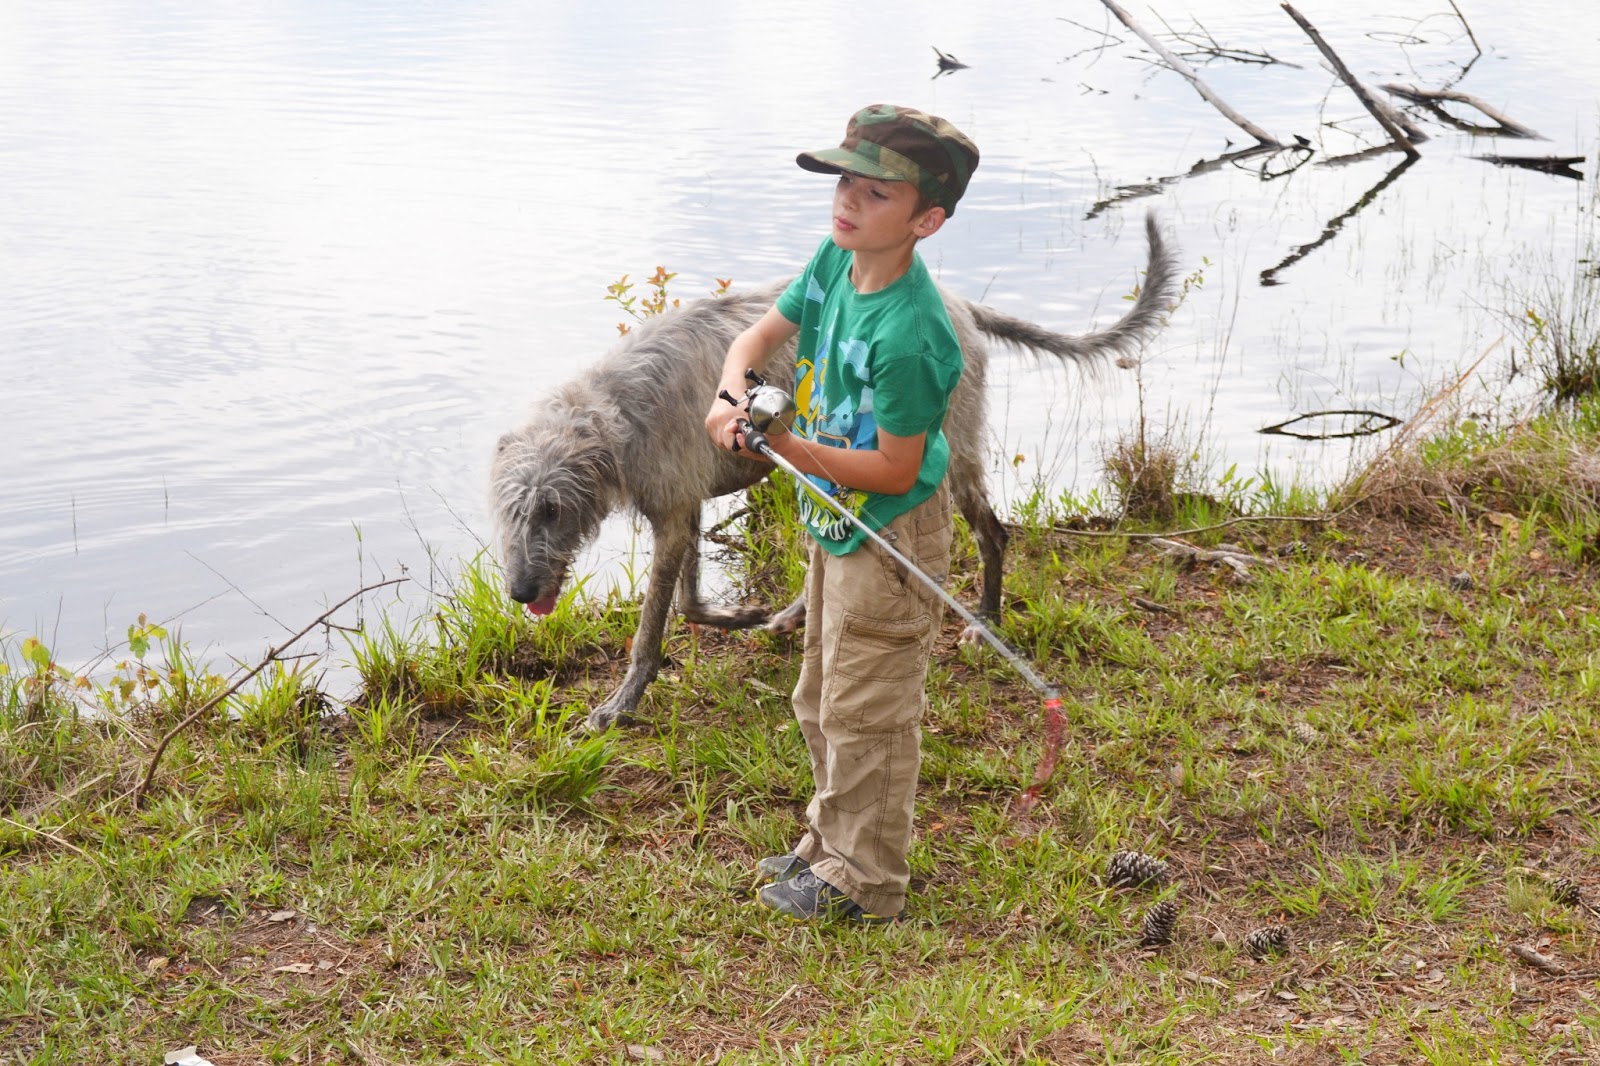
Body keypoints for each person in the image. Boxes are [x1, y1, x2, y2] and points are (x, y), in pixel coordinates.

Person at [703, 104, 979, 923]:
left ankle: (868, 881)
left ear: (926, 221)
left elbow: (896, 467)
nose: (849, 201)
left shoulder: (913, 334)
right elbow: (750, 343)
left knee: (870, 709)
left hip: (891, 532)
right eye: (845, 182)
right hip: (836, 519)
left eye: (877, 193)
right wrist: (730, 398)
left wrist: (785, 445)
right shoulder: (835, 259)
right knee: (822, 692)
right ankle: (827, 845)